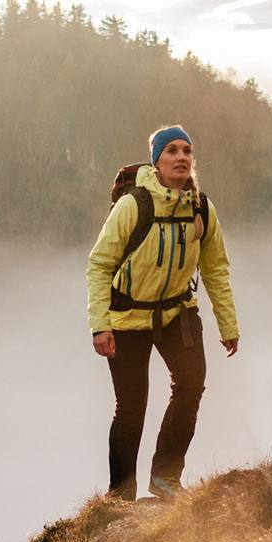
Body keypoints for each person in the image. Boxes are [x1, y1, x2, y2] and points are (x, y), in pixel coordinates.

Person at [87, 125, 240, 501]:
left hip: (178, 312)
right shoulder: (134, 205)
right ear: (157, 160)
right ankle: (120, 494)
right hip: (127, 317)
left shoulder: (201, 207)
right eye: (171, 150)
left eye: (187, 151)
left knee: (191, 387)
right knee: (131, 409)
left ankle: (166, 477)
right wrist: (100, 326)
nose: (181, 157)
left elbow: (216, 268)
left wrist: (228, 324)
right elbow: (99, 265)